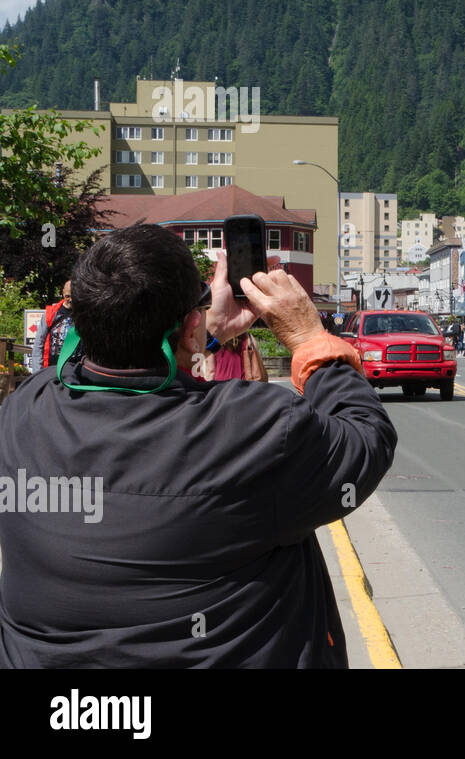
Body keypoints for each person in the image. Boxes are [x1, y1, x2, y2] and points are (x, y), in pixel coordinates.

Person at [0, 224, 397, 667]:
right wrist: (309, 340)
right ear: (191, 323)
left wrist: (201, 337)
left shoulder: (23, 412)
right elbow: (364, 441)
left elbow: (111, 369)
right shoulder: (253, 427)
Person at [31, 280, 73, 372]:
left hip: (74, 368)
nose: (71, 299)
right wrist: (37, 372)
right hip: (52, 368)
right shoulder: (51, 313)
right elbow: (39, 344)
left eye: (74, 296)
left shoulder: (84, 314)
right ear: (63, 293)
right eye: (68, 296)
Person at [200, 331, 269, 382]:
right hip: (243, 384)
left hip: (220, 386)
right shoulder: (248, 337)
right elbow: (256, 359)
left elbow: (211, 371)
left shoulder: (214, 340)